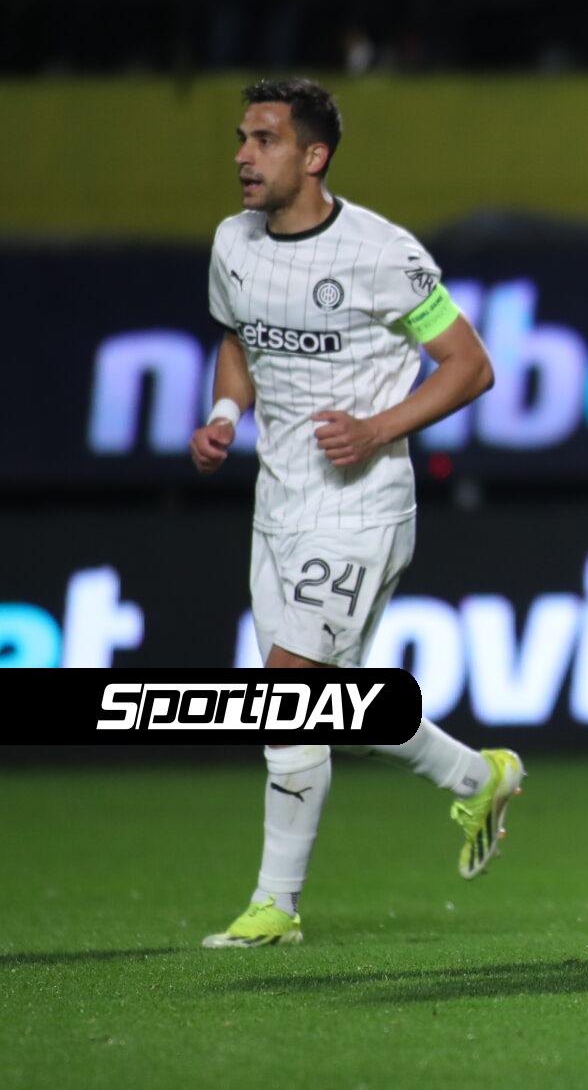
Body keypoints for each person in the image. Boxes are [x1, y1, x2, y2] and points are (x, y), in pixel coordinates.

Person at [193, 79, 514, 948]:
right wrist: (224, 415)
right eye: (241, 139)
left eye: (263, 140)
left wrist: (377, 428)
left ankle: (275, 906)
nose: (243, 156)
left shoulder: (382, 253)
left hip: (361, 507)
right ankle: (477, 776)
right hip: (278, 504)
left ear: (314, 156)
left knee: (286, 692)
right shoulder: (232, 243)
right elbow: (237, 341)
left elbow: (470, 364)